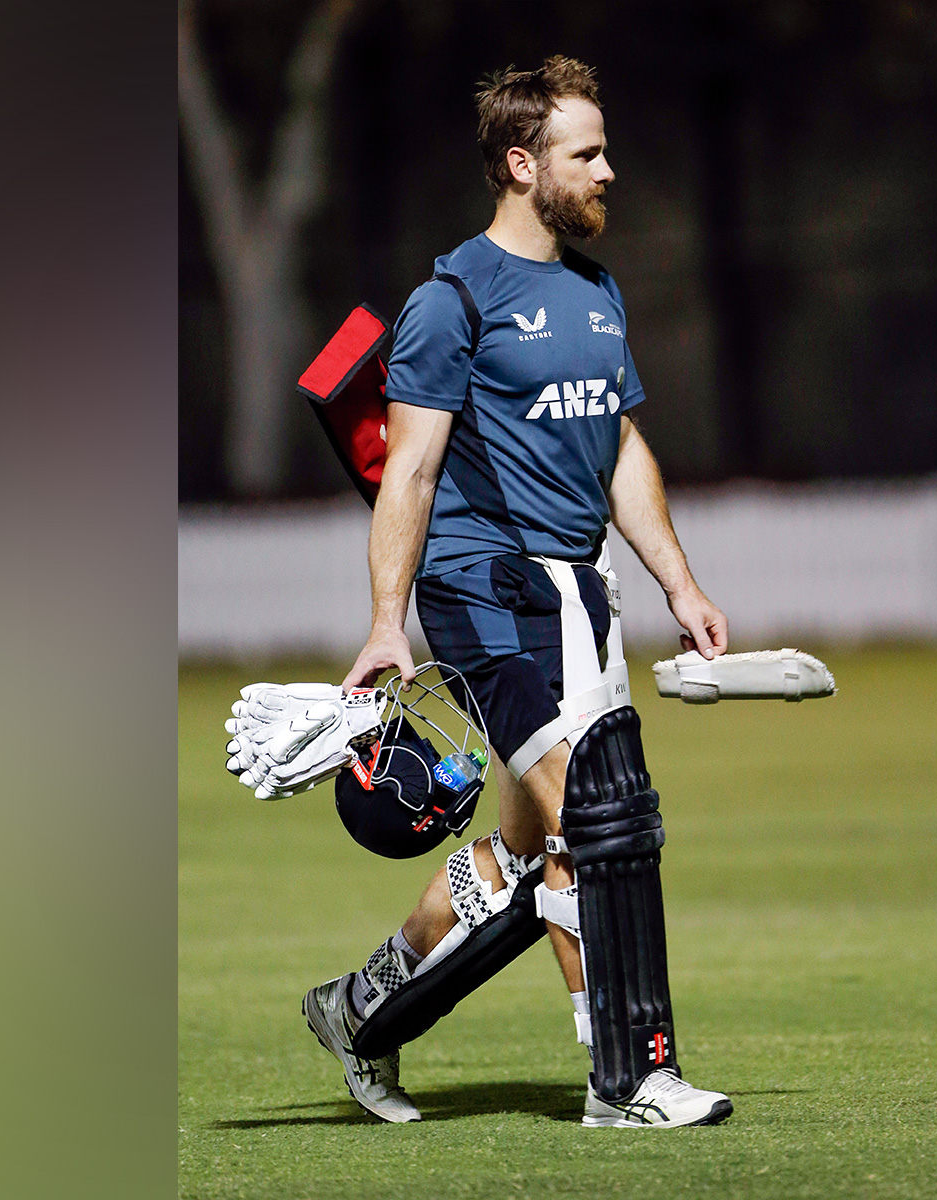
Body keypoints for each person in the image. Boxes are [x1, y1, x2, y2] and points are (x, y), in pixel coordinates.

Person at [302, 56, 732, 1128]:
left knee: (529, 860)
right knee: (604, 826)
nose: (608, 171)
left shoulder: (596, 293)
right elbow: (406, 472)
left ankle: (357, 1014)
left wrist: (677, 581)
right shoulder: (450, 302)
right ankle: (626, 1081)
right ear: (519, 164)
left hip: (579, 600)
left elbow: (620, 445)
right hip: (481, 594)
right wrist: (385, 623)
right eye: (586, 154)